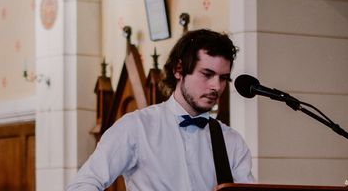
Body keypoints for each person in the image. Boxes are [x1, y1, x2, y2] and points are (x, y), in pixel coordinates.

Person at [66, 29, 255, 191]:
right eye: (207, 74)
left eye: (223, 78)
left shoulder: (232, 141)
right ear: (179, 70)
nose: (216, 86)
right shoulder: (136, 127)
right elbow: (84, 184)